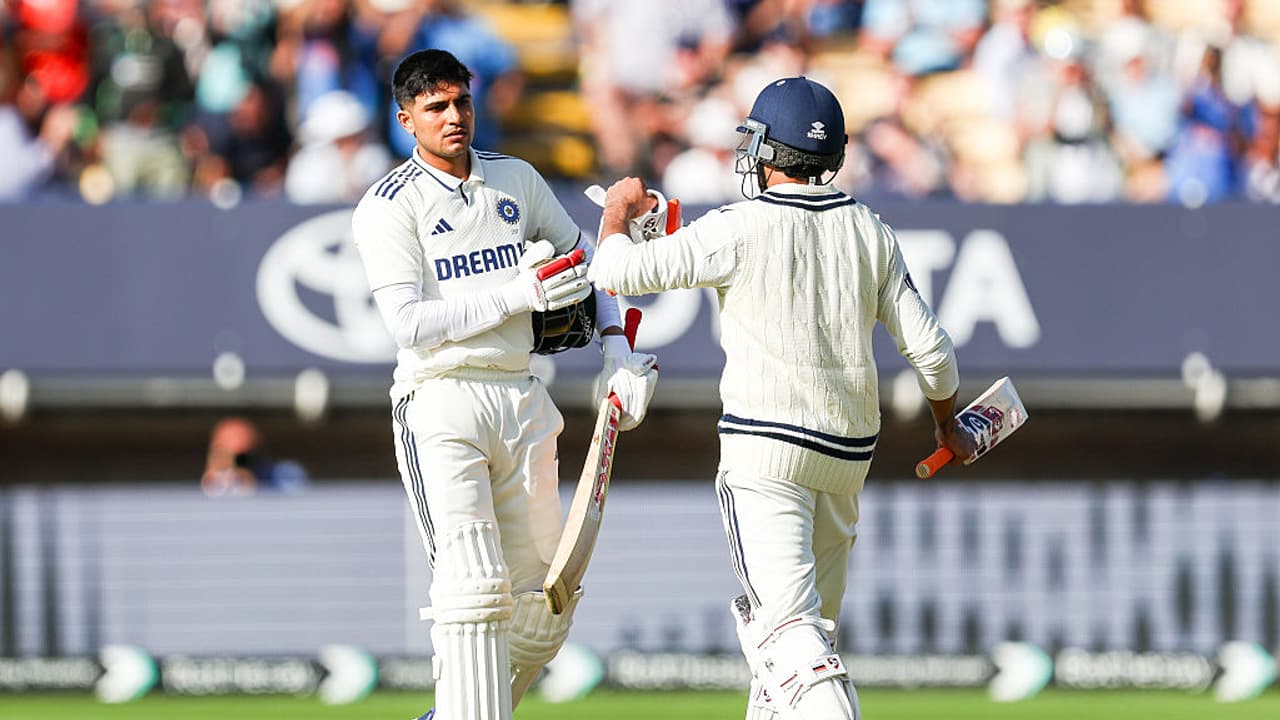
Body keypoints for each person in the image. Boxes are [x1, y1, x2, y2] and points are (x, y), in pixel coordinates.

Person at [588, 77, 975, 720]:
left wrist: (618, 212)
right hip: (846, 458)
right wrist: (947, 426)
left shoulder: (739, 224)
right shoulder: (869, 228)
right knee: (798, 644)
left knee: (789, 637)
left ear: (766, 149)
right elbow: (933, 352)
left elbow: (616, 271)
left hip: (766, 455)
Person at [349, 49, 657, 720]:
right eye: (435, 107)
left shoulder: (515, 179)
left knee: (546, 605)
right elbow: (408, 323)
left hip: (520, 393)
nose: (453, 117)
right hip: (440, 398)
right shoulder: (389, 205)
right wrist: (514, 294)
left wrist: (618, 353)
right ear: (406, 118)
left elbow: (594, 266)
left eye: (461, 101)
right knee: (472, 595)